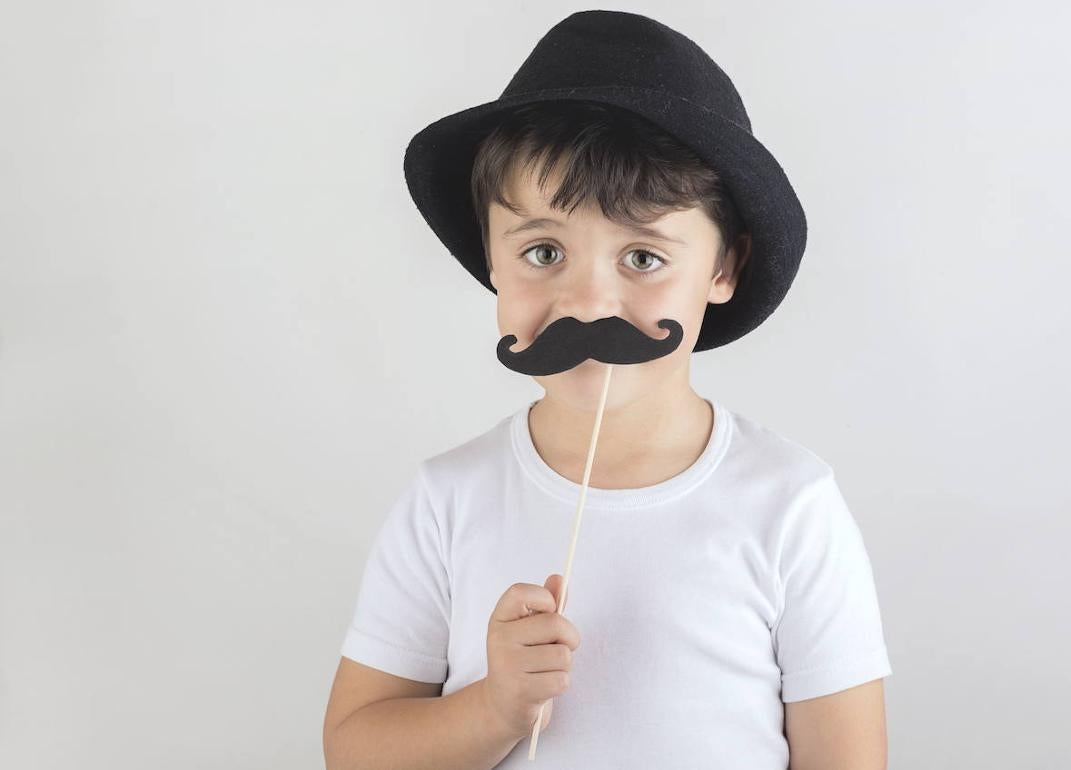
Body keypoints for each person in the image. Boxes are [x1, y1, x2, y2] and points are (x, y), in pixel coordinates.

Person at [323, 10, 891, 770]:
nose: (588, 304)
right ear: (492, 257)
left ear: (723, 267)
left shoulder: (790, 506)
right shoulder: (447, 502)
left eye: (643, 257)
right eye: (543, 251)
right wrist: (492, 709)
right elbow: (355, 750)